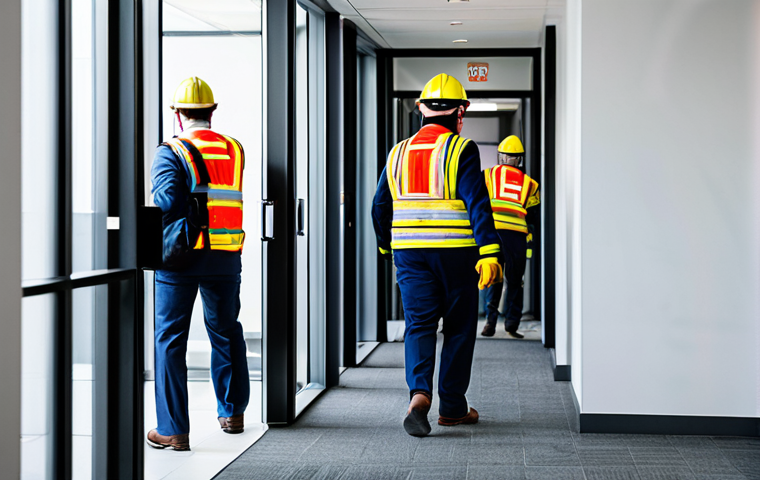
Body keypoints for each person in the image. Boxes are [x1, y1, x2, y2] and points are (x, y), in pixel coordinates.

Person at [372, 73, 503, 437]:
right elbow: (478, 204)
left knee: (419, 325)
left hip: (410, 257)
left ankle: (418, 397)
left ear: (420, 109)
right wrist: (491, 252)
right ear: (460, 112)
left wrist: (387, 246)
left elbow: (380, 206)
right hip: (457, 256)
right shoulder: (461, 149)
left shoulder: (397, 151)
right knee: (459, 328)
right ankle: (452, 407)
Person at [146, 77, 249, 451]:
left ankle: (174, 429)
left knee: (170, 340)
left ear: (177, 114)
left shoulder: (170, 151)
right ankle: (233, 412)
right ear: (212, 111)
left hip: (180, 258)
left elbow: (168, 201)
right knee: (225, 331)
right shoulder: (234, 149)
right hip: (225, 254)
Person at [480, 135, 540, 339]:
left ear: (501, 157)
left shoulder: (487, 175)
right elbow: (533, 214)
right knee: (515, 281)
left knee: (494, 277)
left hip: (492, 232)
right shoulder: (529, 183)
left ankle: (489, 323)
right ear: (519, 159)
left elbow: (477, 203)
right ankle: (512, 325)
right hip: (516, 236)